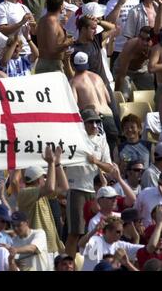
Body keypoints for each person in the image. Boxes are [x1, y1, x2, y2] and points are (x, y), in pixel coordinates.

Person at [65, 108, 113, 257]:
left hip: (96, 192)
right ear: (82, 124)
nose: (94, 125)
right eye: (90, 122)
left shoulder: (101, 139)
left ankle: (91, 263)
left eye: (97, 122)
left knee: (95, 231)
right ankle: (69, 264)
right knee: (75, 232)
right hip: (76, 189)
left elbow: (109, 167)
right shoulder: (72, 139)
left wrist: (96, 161)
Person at [18, 145, 68, 261]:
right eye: (43, 177)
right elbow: (50, 188)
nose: (45, 179)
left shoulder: (42, 194)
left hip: (50, 248)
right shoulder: (25, 193)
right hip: (36, 248)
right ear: (37, 179)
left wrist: (57, 164)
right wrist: (51, 163)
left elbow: (65, 188)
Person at [69, 52, 117, 152]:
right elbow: (108, 99)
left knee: (97, 155)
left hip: (94, 121)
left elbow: (73, 105)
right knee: (113, 155)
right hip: (109, 117)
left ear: (73, 65)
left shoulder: (74, 82)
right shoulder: (98, 77)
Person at [35, 0, 74, 74]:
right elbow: (52, 49)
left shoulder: (43, 19)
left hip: (48, 64)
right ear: (61, 6)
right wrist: (67, 43)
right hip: (51, 66)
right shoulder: (51, 21)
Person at [114, 26, 154, 95]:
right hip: (125, 71)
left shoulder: (154, 48)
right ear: (138, 37)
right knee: (125, 93)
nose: (144, 42)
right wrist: (116, 94)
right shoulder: (130, 47)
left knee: (154, 89)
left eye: (148, 39)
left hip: (142, 69)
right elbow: (121, 74)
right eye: (142, 38)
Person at [136, 205, 162, 269]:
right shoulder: (142, 252)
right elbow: (152, 246)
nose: (161, 239)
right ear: (148, 239)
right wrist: (159, 223)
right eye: (158, 236)